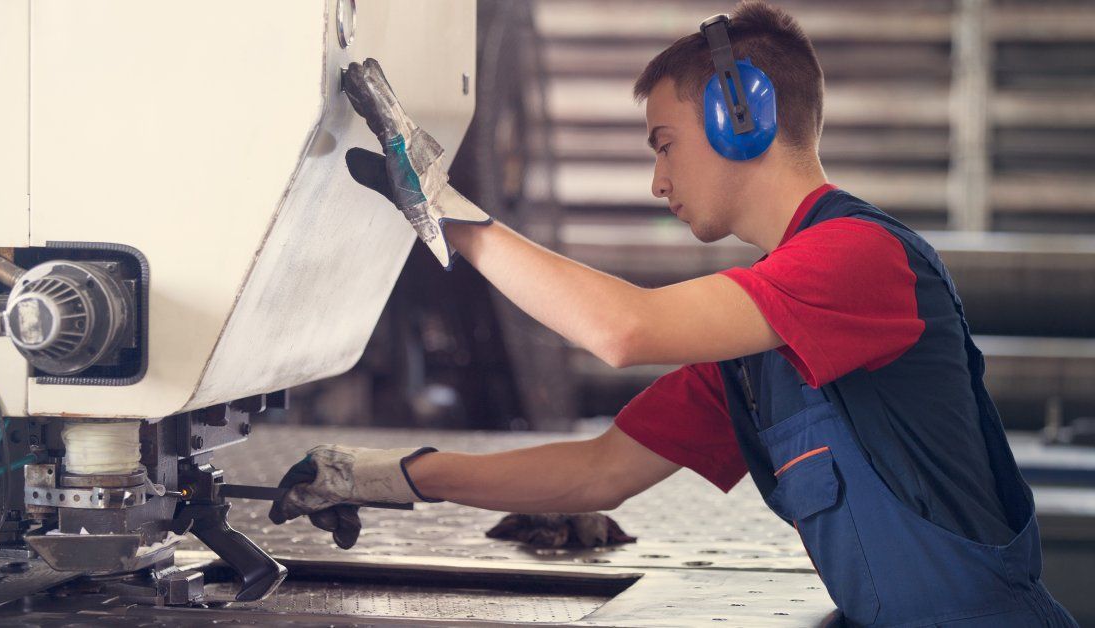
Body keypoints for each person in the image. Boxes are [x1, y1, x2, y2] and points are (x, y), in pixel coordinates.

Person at [270, 2, 1077, 625]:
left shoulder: (860, 260)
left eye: (663, 143)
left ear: (741, 114)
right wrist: (384, 476)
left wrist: (443, 211)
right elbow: (600, 473)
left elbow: (626, 331)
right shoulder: (757, 347)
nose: (657, 182)